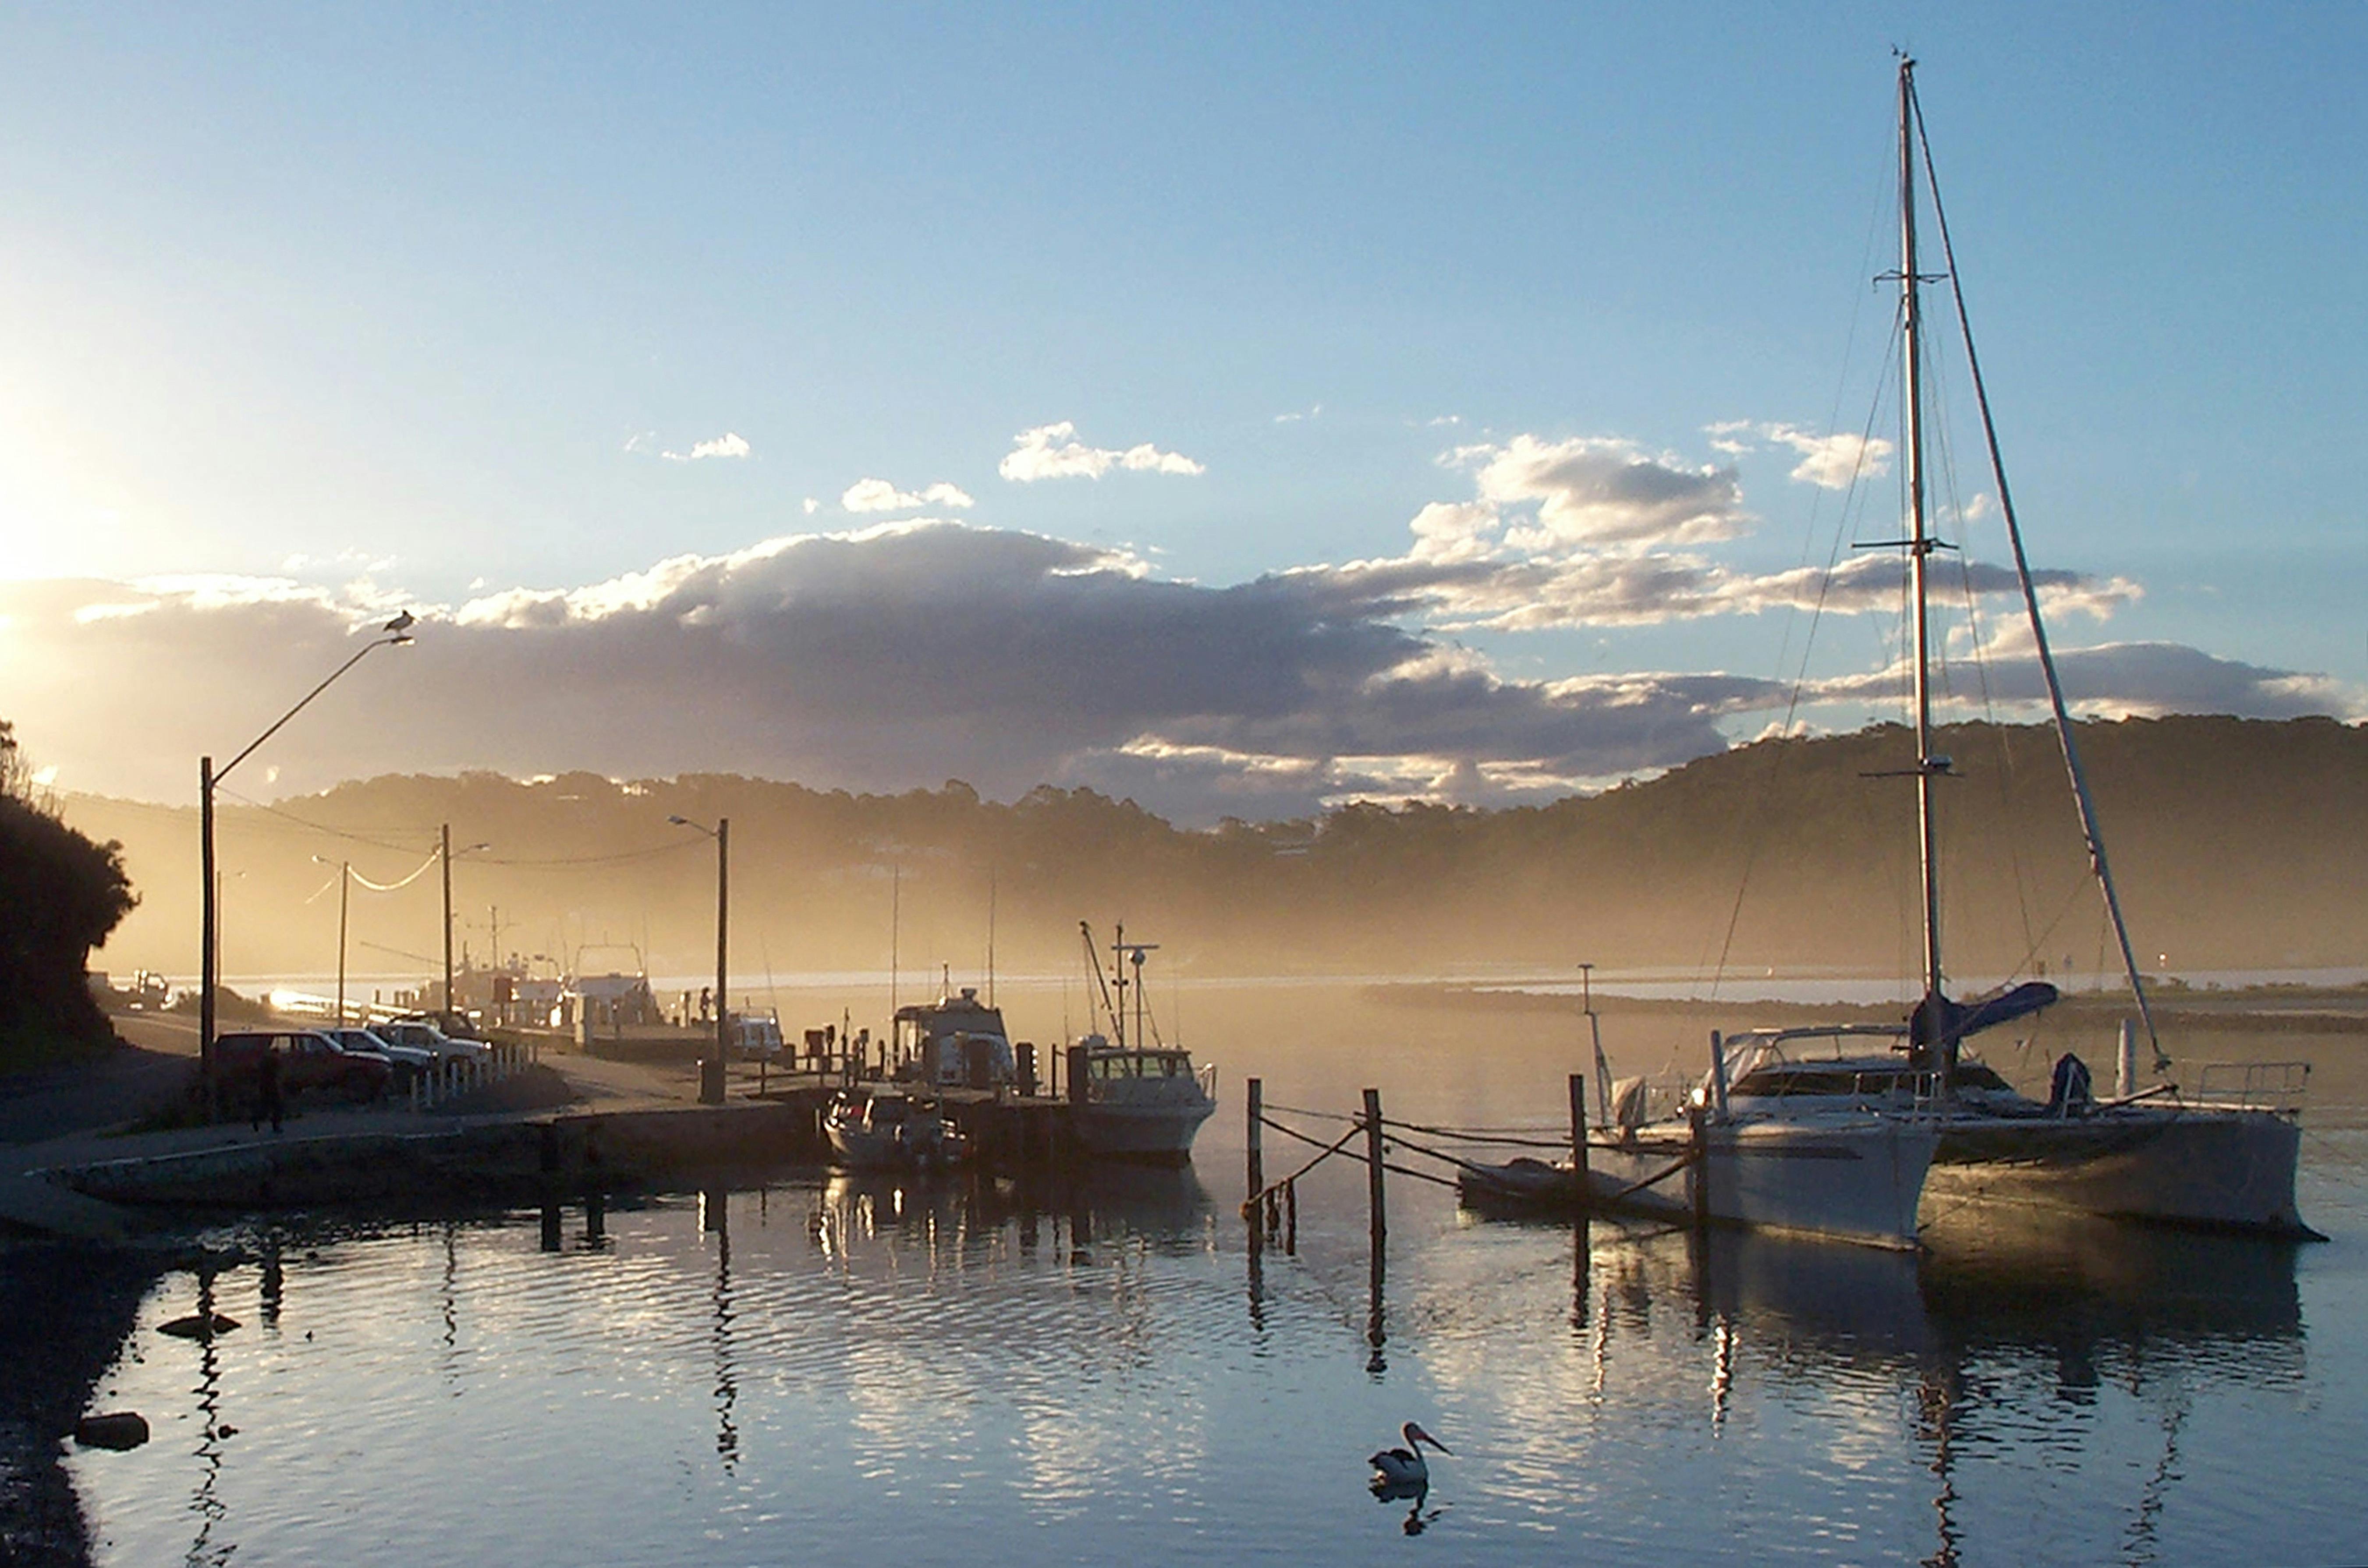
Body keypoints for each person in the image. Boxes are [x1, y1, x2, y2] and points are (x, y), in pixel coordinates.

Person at [255, 1042, 285, 1135]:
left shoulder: (265, 1062)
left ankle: (257, 1121)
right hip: (273, 1088)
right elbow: (277, 1077)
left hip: (265, 1088)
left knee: (265, 1108)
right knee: (277, 1108)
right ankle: (276, 1126)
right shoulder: (275, 1063)